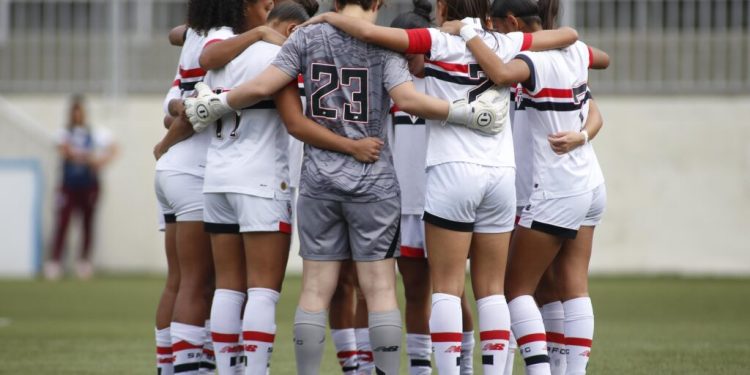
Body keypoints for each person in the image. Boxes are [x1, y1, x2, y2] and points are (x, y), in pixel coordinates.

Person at [182, 1, 507, 374]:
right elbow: (407, 99)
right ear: (379, 3)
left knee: (315, 290)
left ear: (335, 3)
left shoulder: (306, 36)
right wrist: (464, 113)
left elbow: (262, 85)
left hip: (318, 181)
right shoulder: (386, 43)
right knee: (380, 289)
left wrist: (220, 102)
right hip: (374, 181)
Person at [301, 2, 578, 373]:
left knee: (445, 288)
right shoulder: (510, 42)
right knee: (491, 290)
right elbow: (571, 34)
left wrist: (330, 17)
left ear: (444, 7)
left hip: (451, 173)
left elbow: (369, 32)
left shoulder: (436, 40)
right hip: (500, 175)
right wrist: (472, 30)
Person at [440, 0, 609, 373]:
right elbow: (604, 60)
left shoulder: (531, 61)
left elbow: (499, 73)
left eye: (496, 27)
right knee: (569, 285)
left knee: (515, 289)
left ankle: (541, 370)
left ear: (512, 22)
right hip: (589, 183)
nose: (494, 36)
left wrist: (466, 32)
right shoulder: (575, 52)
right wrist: (582, 135)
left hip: (554, 188)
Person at [45, 95, 117, 281]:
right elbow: (64, 150)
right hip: (68, 185)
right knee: (62, 222)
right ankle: (55, 262)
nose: (77, 115)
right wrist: (86, 157)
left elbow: (114, 148)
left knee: (87, 223)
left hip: (89, 185)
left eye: (80, 112)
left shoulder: (95, 133)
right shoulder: (64, 133)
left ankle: (83, 262)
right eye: (74, 112)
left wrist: (101, 161)